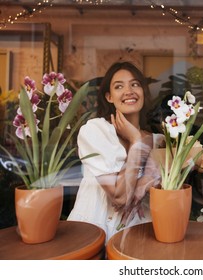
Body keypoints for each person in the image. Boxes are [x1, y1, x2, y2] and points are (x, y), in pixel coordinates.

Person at [67, 61, 164, 242]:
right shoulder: (95, 131)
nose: (129, 91)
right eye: (119, 86)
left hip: (139, 236)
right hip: (91, 233)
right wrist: (136, 142)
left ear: (143, 92)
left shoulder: (159, 142)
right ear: (109, 97)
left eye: (135, 84)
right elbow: (120, 197)